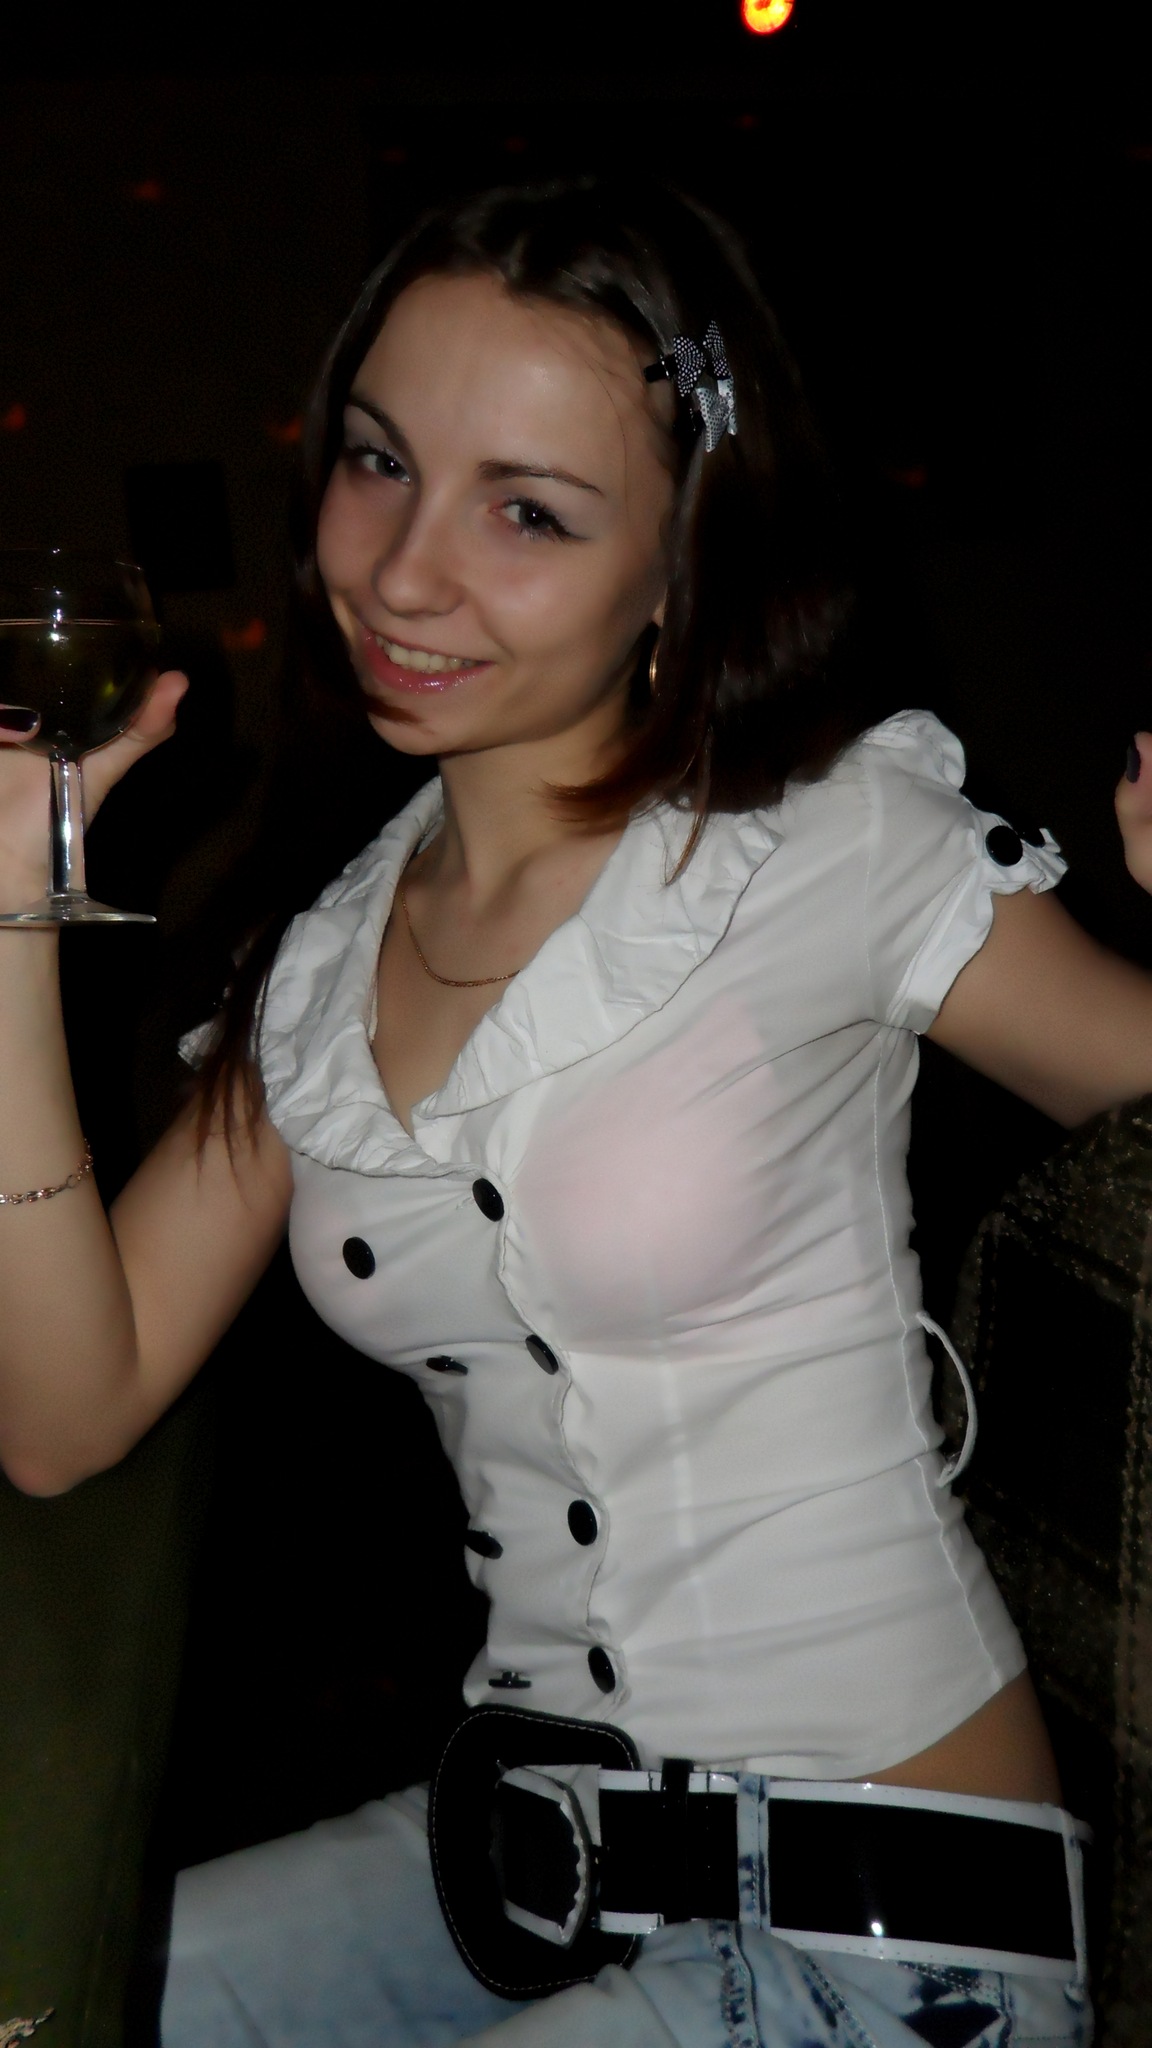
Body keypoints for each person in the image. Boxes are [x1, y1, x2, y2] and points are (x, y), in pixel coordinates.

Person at [1, 178, 1151, 2048]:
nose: (401, 572)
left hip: (889, 1919)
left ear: (684, 562)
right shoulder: (320, 963)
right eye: (380, 463)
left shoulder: (831, 839)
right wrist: (10, 912)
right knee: (47, 1993)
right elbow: (67, 1412)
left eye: (526, 510)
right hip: (529, 1867)